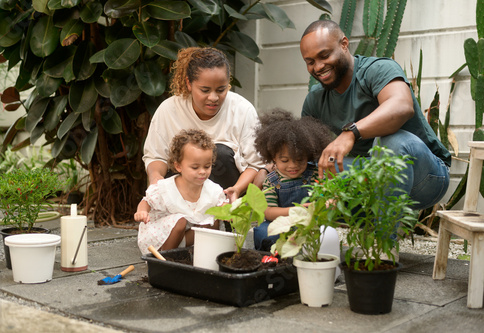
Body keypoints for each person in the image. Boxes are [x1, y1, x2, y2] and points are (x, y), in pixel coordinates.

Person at [300, 20, 451, 210]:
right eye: (310, 62)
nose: (318, 66)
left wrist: (351, 133)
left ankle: (385, 236)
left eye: (324, 55)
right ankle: (318, 234)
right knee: (304, 167)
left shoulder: (377, 70)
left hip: (425, 176)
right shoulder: (315, 98)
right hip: (369, 173)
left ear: (344, 44)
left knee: (391, 143)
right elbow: (301, 151)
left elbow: (402, 105)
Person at [142, 47, 265, 206]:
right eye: (205, 90)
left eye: (221, 90)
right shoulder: (169, 110)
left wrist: (236, 189)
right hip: (180, 197)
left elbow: (255, 164)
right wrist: (155, 177)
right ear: (189, 83)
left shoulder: (242, 110)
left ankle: (225, 223)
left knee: (219, 153)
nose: (213, 98)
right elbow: (156, 156)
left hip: (227, 196)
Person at [252, 109, 338, 254]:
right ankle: (274, 254)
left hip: (308, 224)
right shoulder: (272, 181)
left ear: (308, 155)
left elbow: (330, 194)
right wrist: (294, 211)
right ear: (273, 157)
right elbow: (268, 211)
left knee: (324, 233)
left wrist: (329, 202)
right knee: (262, 231)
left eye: (299, 160)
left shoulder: (314, 174)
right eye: (284, 160)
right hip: (281, 222)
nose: (292, 166)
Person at [135, 129, 227, 254]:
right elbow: (147, 201)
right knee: (180, 221)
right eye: (195, 167)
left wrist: (228, 211)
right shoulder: (165, 188)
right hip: (162, 236)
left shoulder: (212, 189)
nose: (202, 171)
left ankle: (204, 254)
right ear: (178, 166)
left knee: (213, 220)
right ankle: (165, 259)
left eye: (207, 166)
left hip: (188, 235)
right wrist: (142, 211)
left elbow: (221, 205)